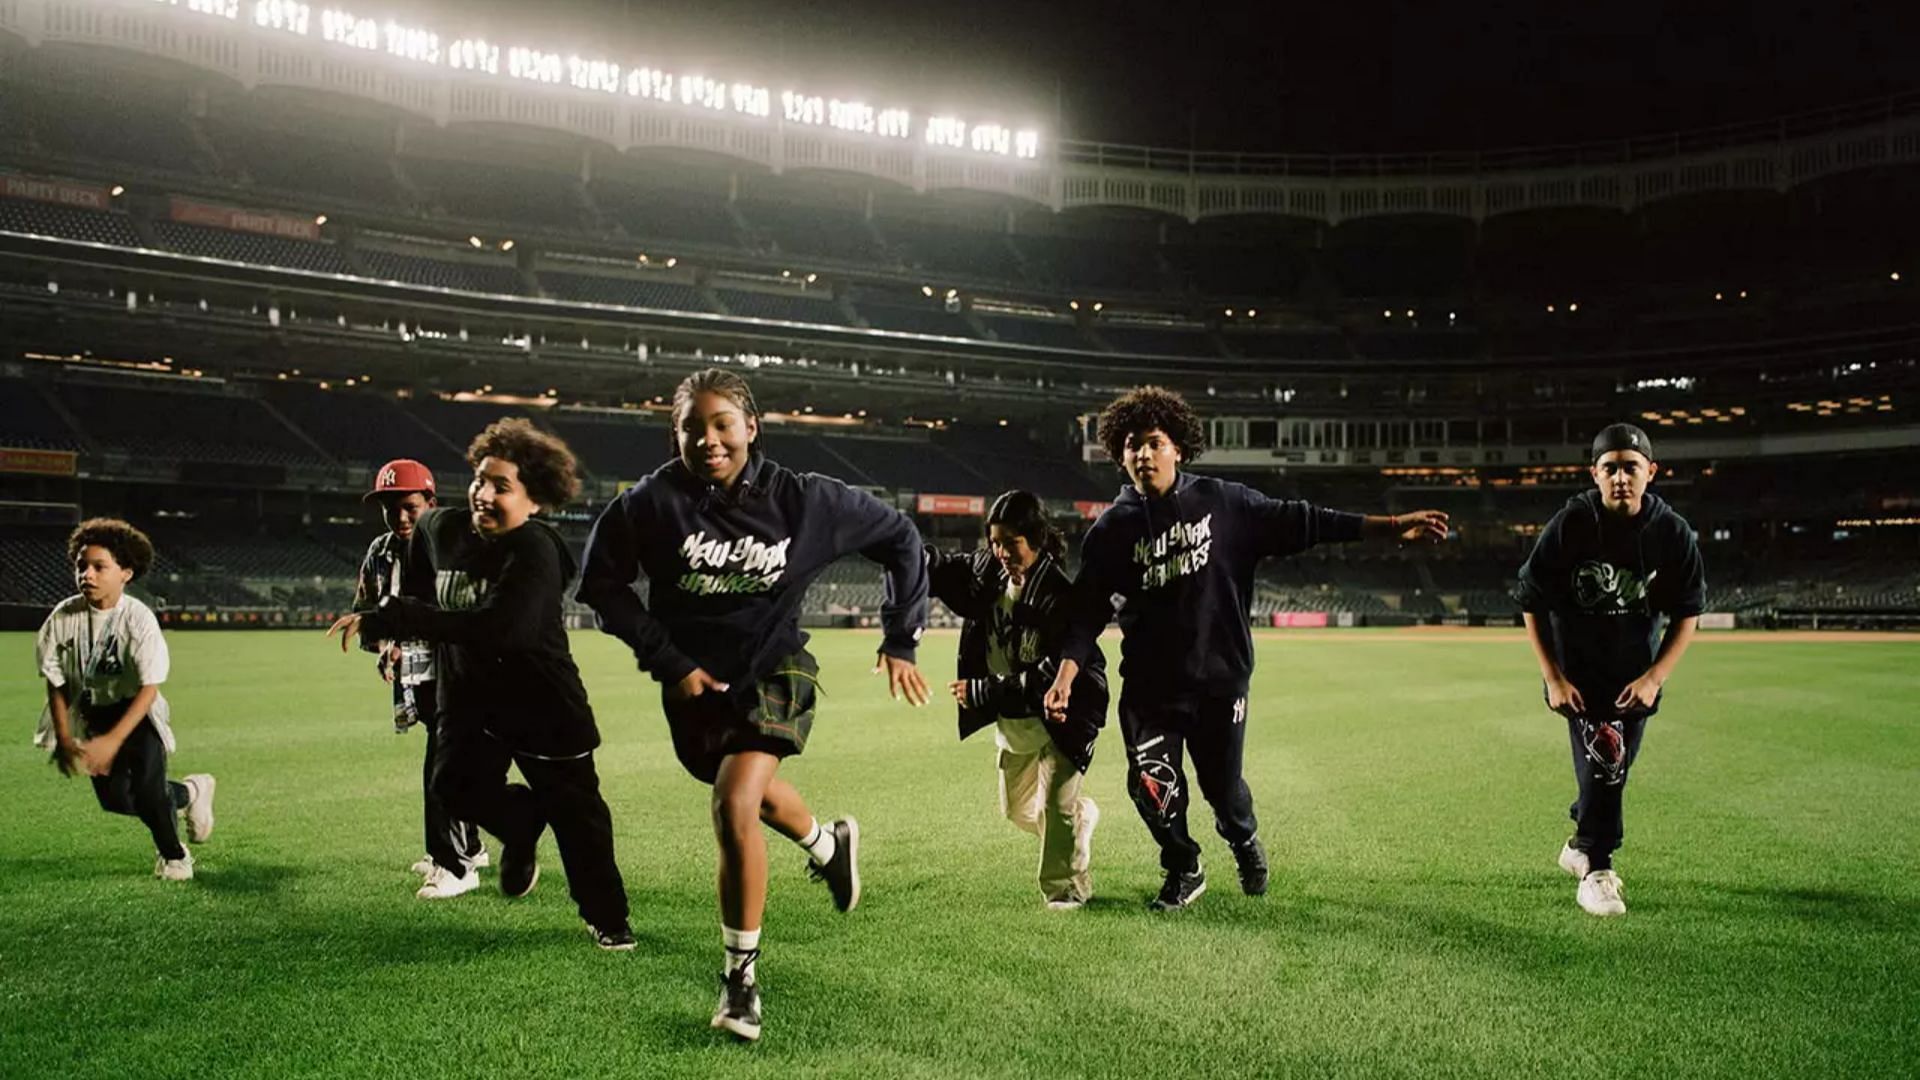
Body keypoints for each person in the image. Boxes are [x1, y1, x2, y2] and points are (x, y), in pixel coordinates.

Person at [578, 367, 929, 1042]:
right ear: (674, 434)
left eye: (722, 425)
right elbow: (601, 583)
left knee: (733, 803)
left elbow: (901, 538)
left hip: (777, 668)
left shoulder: (804, 501)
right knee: (752, 797)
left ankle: (741, 984)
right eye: (692, 428)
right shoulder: (651, 503)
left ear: (751, 428)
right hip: (695, 687)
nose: (709, 440)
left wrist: (901, 638)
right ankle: (829, 845)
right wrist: (668, 659)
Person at [1044, 386, 1448, 910]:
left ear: (1178, 448)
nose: (1142, 453)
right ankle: (1184, 866)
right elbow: (1087, 613)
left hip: (1220, 680)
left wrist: (1390, 526)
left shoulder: (1225, 503)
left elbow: (1307, 521)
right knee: (1151, 785)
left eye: (1153, 442)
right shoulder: (1110, 533)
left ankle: (1242, 839)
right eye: (1130, 445)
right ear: (1118, 456)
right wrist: (1065, 674)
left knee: (1223, 788)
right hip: (1152, 690)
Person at [328, 419, 633, 950]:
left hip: (543, 703)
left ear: (534, 501)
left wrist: (401, 616)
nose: (484, 495)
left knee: (577, 815)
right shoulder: (440, 528)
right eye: (480, 479)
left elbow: (501, 629)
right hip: (469, 699)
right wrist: (402, 619)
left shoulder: (537, 551)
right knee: (451, 786)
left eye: (502, 487)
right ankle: (519, 826)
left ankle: (607, 917)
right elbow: (422, 560)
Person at [1516, 422, 1705, 917]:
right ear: (1594, 474)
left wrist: (1654, 676)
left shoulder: (1672, 534)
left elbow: (1688, 613)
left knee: (1612, 772)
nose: (1621, 477)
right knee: (1606, 761)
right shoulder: (1571, 525)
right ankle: (1597, 867)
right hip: (1578, 673)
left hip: (1635, 674)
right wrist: (1554, 677)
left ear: (1651, 472)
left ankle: (1580, 841)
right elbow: (1530, 600)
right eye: (1610, 468)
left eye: (1631, 467)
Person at [926, 490, 1108, 910]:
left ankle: (1066, 889)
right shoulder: (988, 571)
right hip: (1017, 719)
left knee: (1054, 809)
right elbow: (947, 571)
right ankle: (1082, 818)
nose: (1001, 551)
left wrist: (983, 691)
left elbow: (1049, 671)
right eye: (995, 541)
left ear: (1036, 540)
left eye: (1012, 543)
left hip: (1068, 711)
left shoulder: (1057, 594)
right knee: (1018, 811)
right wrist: (904, 552)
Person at [35, 518, 214, 880]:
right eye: (81, 565)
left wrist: (113, 742)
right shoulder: (62, 617)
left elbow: (149, 687)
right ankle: (191, 792)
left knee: (149, 791)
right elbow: (57, 681)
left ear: (126, 573)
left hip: (136, 712)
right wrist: (66, 738)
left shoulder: (138, 619)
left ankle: (176, 857)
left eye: (99, 566)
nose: (87, 574)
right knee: (115, 800)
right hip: (92, 714)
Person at [352, 458, 488, 901]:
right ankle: (469, 846)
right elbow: (368, 614)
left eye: (410, 506)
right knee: (450, 761)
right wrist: (384, 643)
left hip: (462, 671)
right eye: (391, 508)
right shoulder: (381, 551)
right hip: (421, 676)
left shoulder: (454, 547)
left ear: (431, 502)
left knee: (443, 766)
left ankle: (456, 865)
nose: (401, 517)